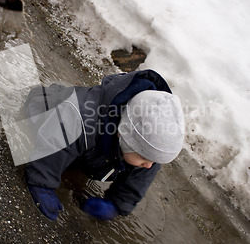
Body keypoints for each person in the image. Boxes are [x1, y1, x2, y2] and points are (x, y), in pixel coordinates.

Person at [24, 69, 185, 222]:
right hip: (48, 113)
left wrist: (117, 204)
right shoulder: (79, 119)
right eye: (144, 157)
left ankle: (78, 156)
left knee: (136, 164)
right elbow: (54, 144)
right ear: (124, 135)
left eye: (153, 160)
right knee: (41, 125)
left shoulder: (148, 153)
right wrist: (41, 183)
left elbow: (140, 177)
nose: (149, 165)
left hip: (89, 145)